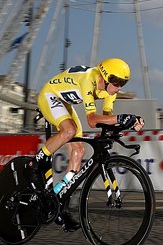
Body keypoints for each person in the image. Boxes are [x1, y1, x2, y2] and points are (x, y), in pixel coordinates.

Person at [31, 58, 144, 231]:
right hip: (50, 95)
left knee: (79, 150)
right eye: (117, 82)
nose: (120, 87)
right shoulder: (88, 80)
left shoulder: (110, 92)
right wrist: (122, 118)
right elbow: (92, 120)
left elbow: (106, 119)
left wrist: (129, 122)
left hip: (64, 102)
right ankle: (36, 163)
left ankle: (59, 200)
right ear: (105, 77)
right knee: (69, 130)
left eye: (123, 83)